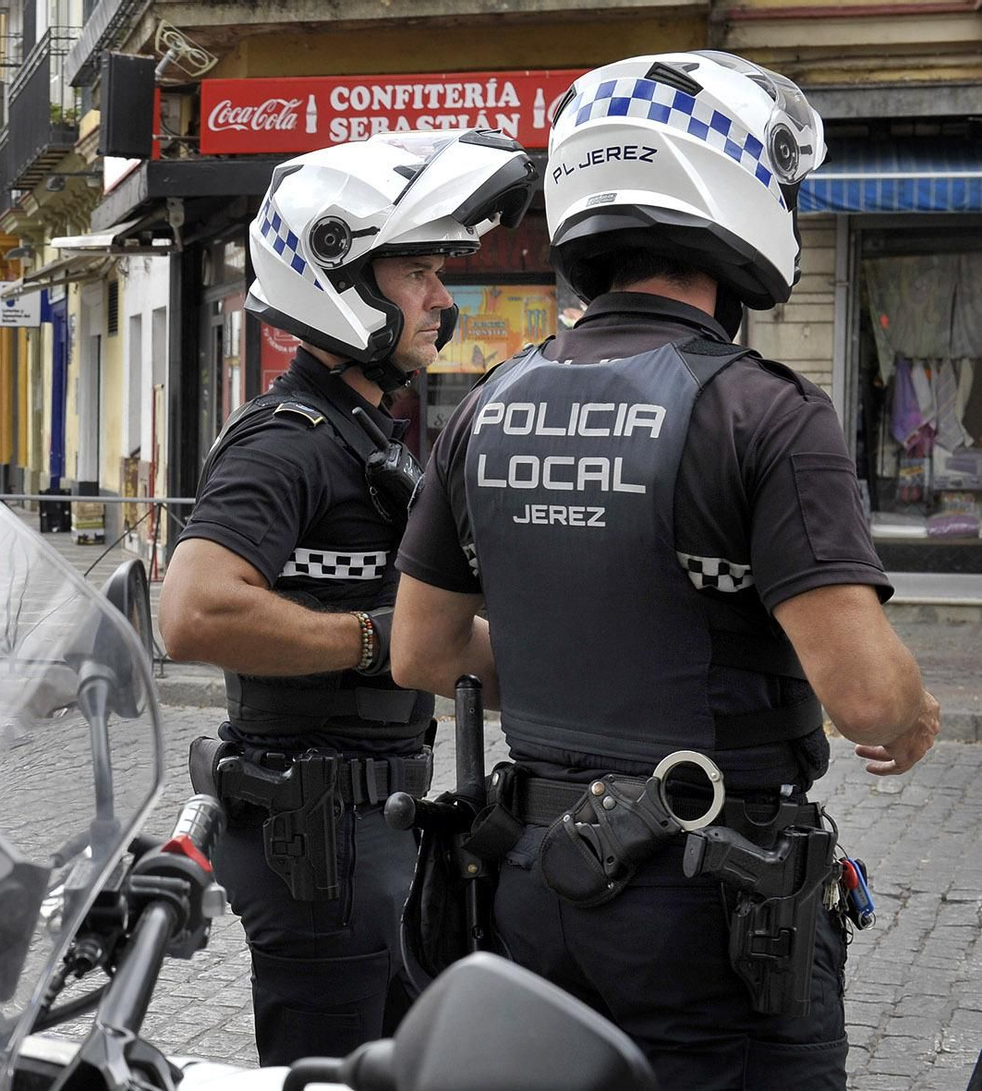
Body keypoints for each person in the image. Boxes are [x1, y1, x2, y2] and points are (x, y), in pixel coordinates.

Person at [390, 51, 941, 1090]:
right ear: (731, 190)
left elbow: (421, 651)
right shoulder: (764, 411)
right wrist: (913, 714)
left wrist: (574, 660)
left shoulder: (486, 406)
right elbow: (865, 697)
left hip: (529, 890)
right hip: (708, 910)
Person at [159, 129, 538, 1065]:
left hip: (378, 830)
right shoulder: (283, 441)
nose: (443, 299)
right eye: (417, 273)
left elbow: (437, 633)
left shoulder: (361, 434)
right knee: (327, 1077)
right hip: (317, 837)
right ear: (342, 277)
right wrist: (376, 642)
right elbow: (192, 611)